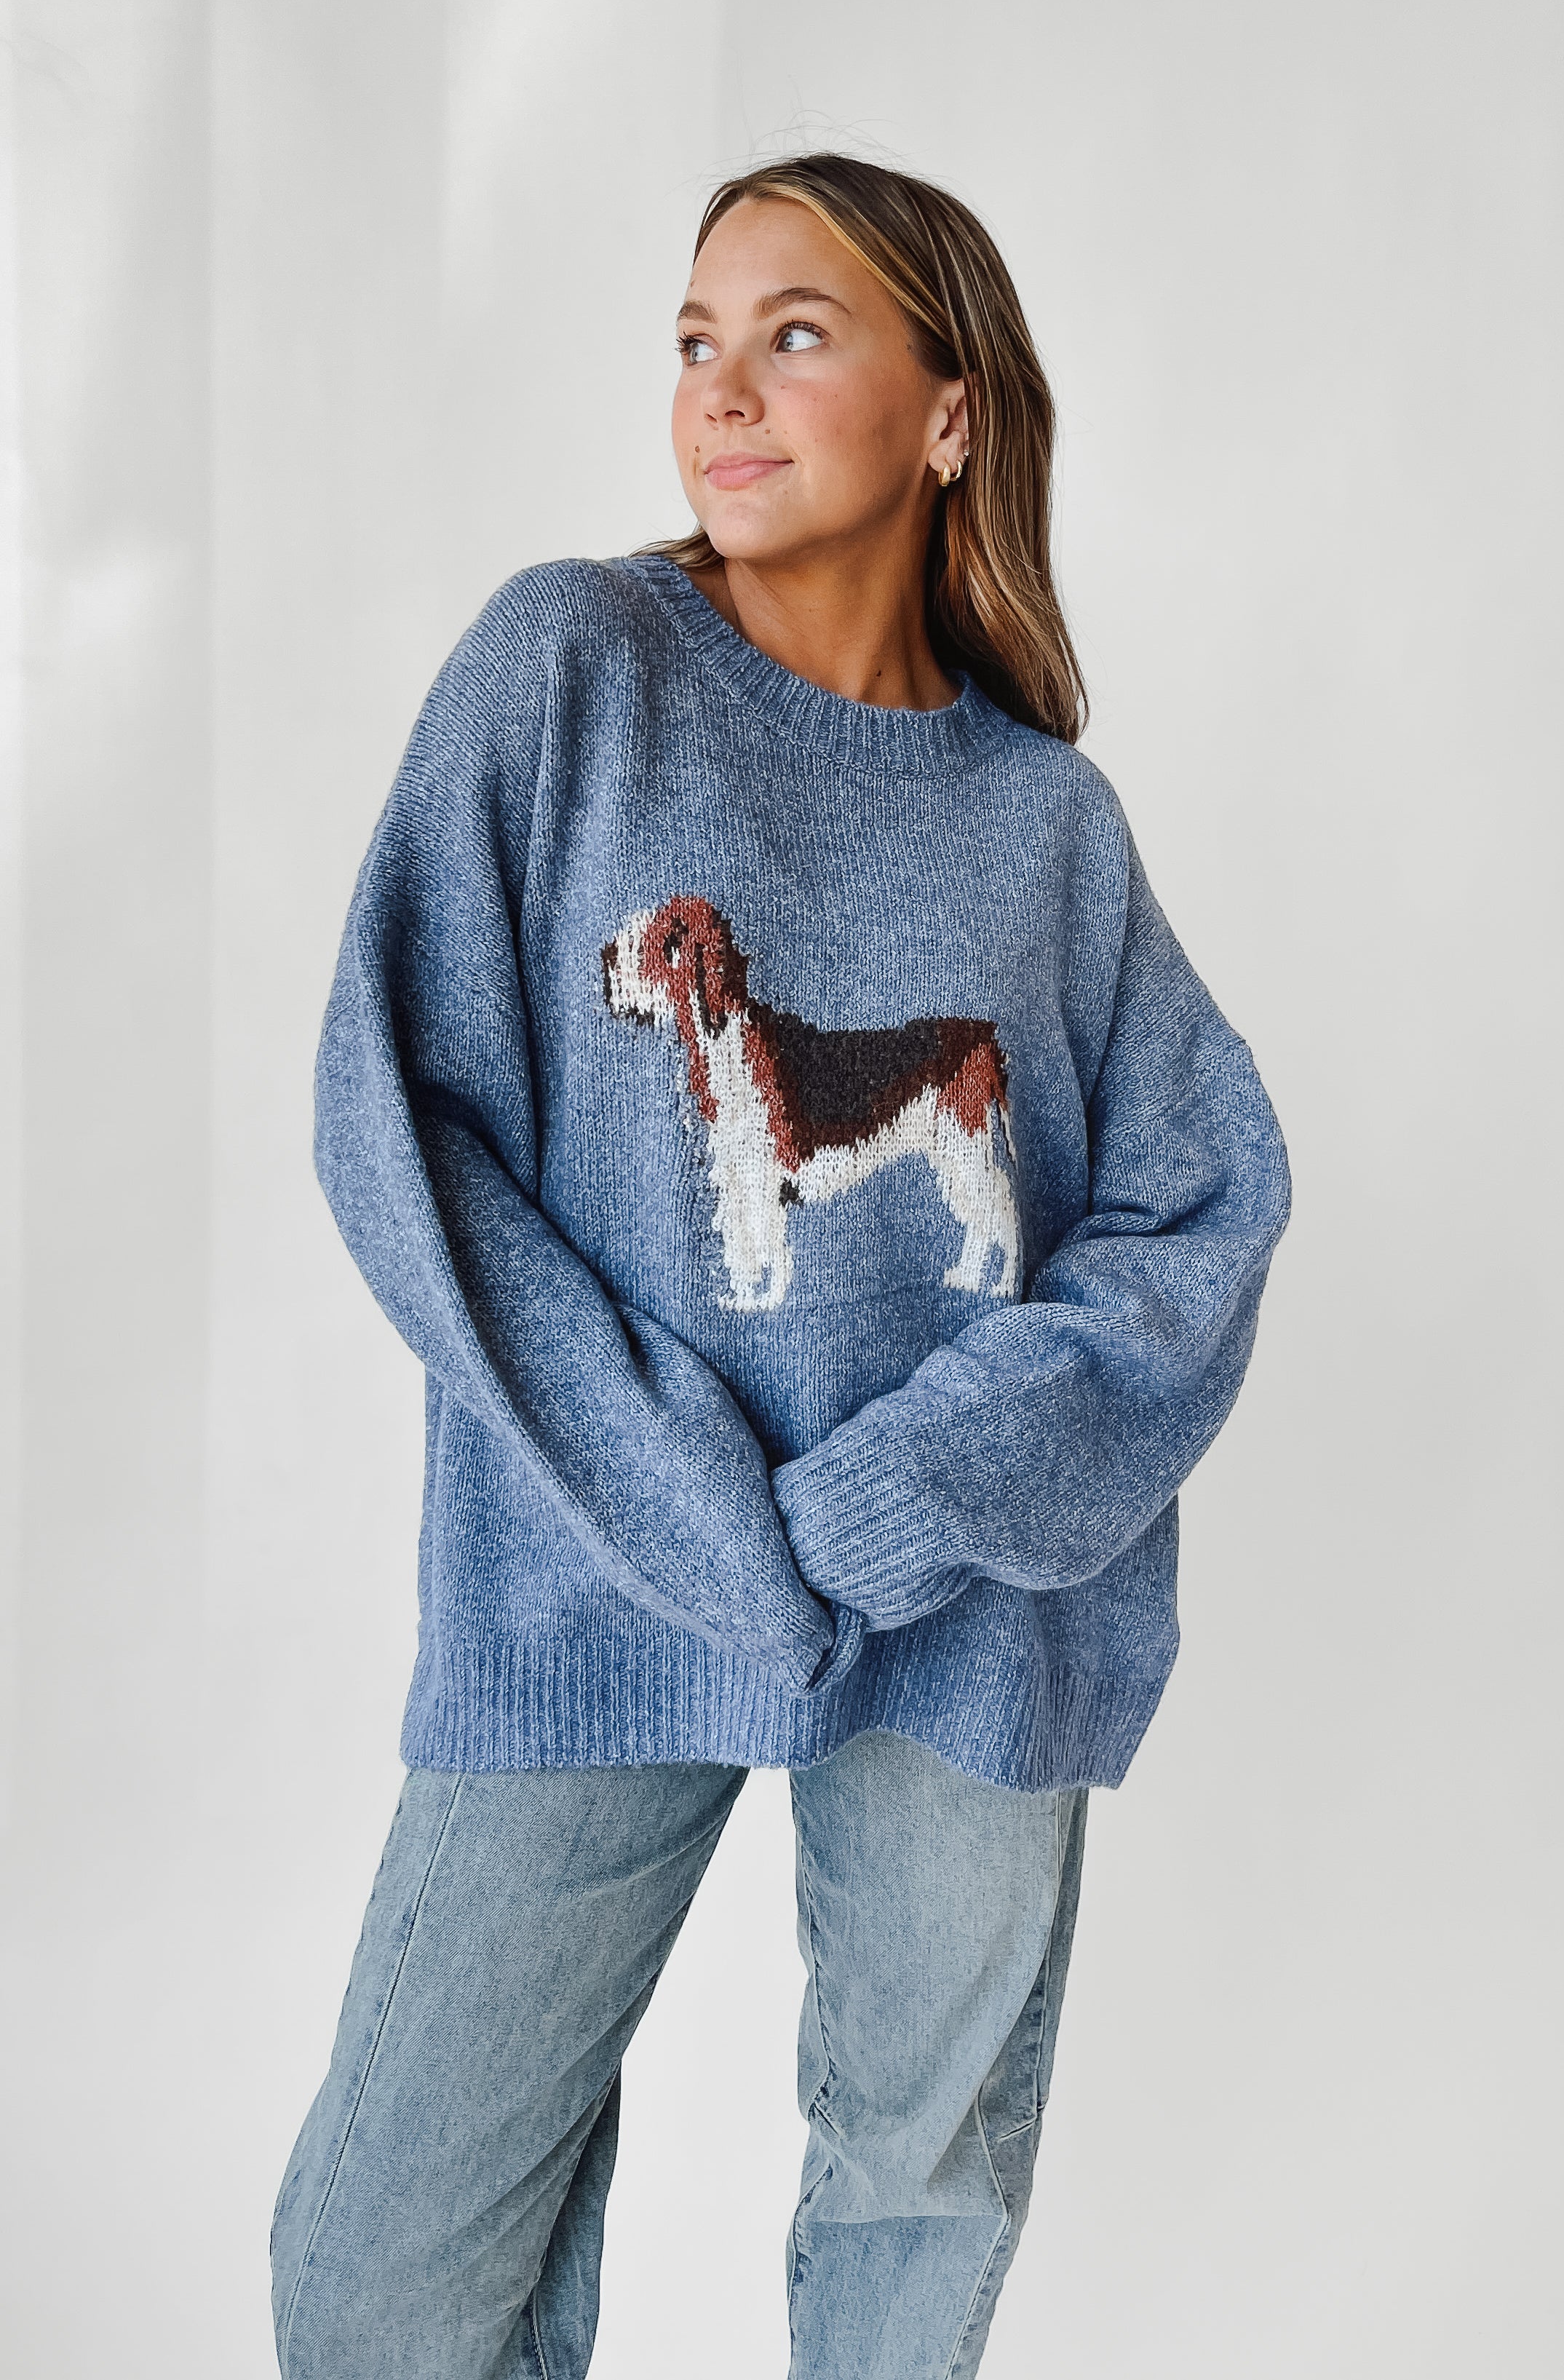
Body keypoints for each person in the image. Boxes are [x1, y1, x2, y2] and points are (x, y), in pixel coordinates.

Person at [269, 151, 1290, 2380]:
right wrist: (695, 1503)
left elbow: (1200, 1212)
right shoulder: (568, 669)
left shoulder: (1048, 825)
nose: (719, 390)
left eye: (793, 334)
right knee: (382, 2275)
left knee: (912, 2214)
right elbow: (397, 1124)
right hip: (598, 1574)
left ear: (949, 414)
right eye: (692, 341)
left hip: (970, 1602)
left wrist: (906, 1491)